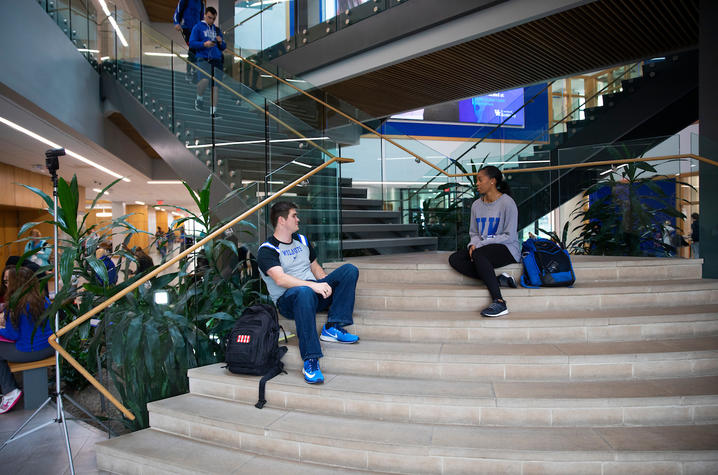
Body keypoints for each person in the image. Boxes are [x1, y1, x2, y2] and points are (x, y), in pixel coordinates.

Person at [257, 201, 360, 385]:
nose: (298, 219)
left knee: (349, 270)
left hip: (313, 293)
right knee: (303, 291)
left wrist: (325, 284)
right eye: (294, 215)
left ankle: (333, 327)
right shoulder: (267, 250)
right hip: (290, 301)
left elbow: (315, 268)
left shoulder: (303, 240)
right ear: (281, 220)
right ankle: (311, 360)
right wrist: (313, 286)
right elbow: (280, 279)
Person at [448, 166, 520, 317]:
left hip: (507, 248)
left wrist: (479, 245)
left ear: (492, 181)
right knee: (455, 258)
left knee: (479, 255)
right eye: (476, 180)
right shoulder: (476, 205)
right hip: (483, 248)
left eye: (480, 180)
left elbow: (509, 235)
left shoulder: (507, 203)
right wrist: (473, 244)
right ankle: (498, 279)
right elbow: (474, 232)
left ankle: (499, 302)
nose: (477, 183)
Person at [0, 262, 54, 414]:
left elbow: (13, 335)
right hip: (49, 348)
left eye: (7, 281)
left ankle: (10, 391)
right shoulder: (42, 299)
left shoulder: (16, 304)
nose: (5, 284)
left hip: (30, 351)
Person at [189, 6, 226, 117]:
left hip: (216, 59)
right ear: (205, 15)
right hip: (203, 58)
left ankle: (213, 111)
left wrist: (220, 42)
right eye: (209, 17)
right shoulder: (198, 27)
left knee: (215, 86)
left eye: (213, 19)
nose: (211, 20)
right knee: (204, 80)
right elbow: (192, 43)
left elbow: (223, 47)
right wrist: (204, 44)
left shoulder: (217, 30)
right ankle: (199, 98)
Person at [172, 0, 204, 83]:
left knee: (195, 49)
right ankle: (190, 71)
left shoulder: (201, 3)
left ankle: (193, 70)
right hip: (186, 28)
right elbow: (177, 12)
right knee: (193, 48)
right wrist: (176, 23)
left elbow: (202, 18)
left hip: (196, 30)